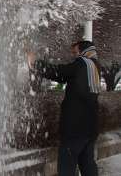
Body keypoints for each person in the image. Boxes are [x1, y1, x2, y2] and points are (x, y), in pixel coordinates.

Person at [27, 41, 101, 176]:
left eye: (75, 52)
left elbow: (59, 73)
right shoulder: (95, 66)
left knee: (66, 168)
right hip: (90, 128)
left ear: (83, 51)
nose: (74, 56)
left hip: (75, 129)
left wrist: (35, 63)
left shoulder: (81, 63)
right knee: (88, 165)